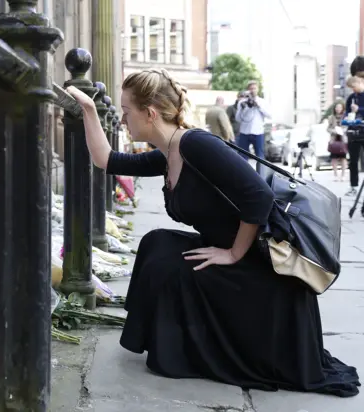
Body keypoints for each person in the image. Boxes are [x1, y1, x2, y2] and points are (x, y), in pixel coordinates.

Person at [66, 69, 360, 397]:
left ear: (149, 114)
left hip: (261, 269)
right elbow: (106, 159)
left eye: (125, 112)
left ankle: (185, 353)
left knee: (170, 265)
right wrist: (90, 111)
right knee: (157, 244)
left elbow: (259, 198)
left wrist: (233, 253)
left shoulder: (196, 144)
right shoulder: (168, 153)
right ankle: (169, 343)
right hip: (232, 251)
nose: (121, 120)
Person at [235, 81, 270, 162]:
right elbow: (238, 119)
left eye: (254, 88)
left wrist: (258, 106)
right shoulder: (242, 102)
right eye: (251, 89)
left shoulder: (262, 102)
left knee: (260, 157)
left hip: (258, 132)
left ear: (257, 89)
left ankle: (260, 174)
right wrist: (242, 109)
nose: (252, 90)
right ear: (248, 90)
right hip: (244, 132)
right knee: (242, 157)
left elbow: (269, 115)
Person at [343, 76, 364, 196]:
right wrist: (347, 116)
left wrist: (359, 110)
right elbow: (347, 111)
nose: (353, 90)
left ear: (360, 82)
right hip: (353, 132)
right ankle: (353, 187)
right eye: (351, 88)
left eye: (354, 87)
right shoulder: (351, 98)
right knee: (353, 162)